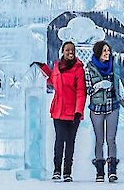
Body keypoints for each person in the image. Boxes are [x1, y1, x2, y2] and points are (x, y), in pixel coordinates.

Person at [33, 41, 88, 181]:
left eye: (72, 50)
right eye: (67, 50)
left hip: (73, 112)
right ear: (62, 51)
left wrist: (78, 111)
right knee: (59, 141)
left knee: (70, 142)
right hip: (58, 110)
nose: (70, 52)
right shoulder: (57, 66)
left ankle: (67, 172)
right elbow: (52, 81)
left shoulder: (78, 69)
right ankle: (57, 170)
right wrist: (44, 68)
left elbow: (81, 91)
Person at [84, 39, 124, 182]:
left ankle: (112, 170)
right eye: (104, 51)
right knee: (99, 139)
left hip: (113, 106)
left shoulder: (114, 67)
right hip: (97, 108)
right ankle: (99, 171)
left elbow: (119, 86)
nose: (107, 53)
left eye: (108, 50)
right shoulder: (89, 68)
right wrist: (98, 86)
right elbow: (88, 90)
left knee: (111, 139)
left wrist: (123, 102)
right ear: (98, 52)